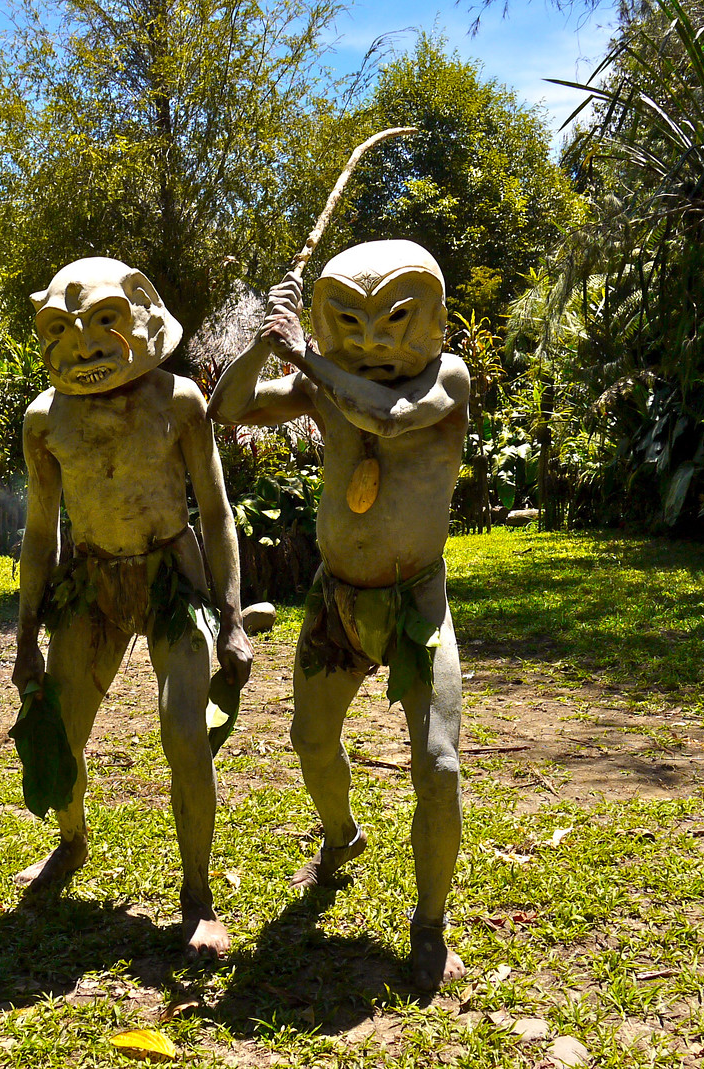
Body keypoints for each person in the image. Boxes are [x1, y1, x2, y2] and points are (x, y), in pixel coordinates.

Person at [208, 240, 470, 989]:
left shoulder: (445, 377)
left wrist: (309, 358)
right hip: (337, 603)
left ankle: (429, 924)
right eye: (349, 322)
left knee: (440, 766)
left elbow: (388, 419)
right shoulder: (322, 384)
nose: (373, 341)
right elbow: (228, 408)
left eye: (394, 319)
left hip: (417, 601)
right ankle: (341, 836)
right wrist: (265, 344)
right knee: (311, 742)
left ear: (434, 318)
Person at [11, 257, 252, 958]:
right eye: (65, 329)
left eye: (103, 323)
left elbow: (214, 509)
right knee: (61, 730)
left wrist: (232, 618)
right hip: (92, 584)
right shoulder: (44, 421)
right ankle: (71, 842)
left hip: (170, 577)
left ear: (143, 315)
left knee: (183, 728)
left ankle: (198, 895)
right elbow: (37, 530)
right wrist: (26, 635)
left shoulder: (178, 402)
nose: (84, 344)